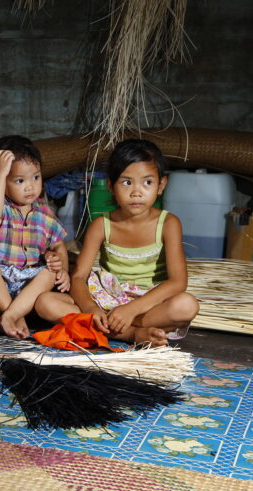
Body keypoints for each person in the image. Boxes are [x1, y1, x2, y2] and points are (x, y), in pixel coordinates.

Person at [69, 139, 199, 346]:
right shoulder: (102, 225)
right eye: (127, 182)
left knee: (186, 305)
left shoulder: (168, 223)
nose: (136, 192)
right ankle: (132, 334)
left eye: (147, 182)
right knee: (47, 303)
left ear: (161, 185)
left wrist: (131, 310)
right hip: (106, 300)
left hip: (148, 304)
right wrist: (92, 310)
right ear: (111, 186)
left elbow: (178, 282)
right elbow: (78, 276)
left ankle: (113, 328)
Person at [0, 136, 79, 338]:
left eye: (36, 177)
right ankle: (13, 314)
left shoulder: (44, 213)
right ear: (0, 181)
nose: (30, 186)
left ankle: (10, 315)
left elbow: (59, 246)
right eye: (19, 180)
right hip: (0, 282)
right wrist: (0, 173)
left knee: (48, 273)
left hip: (28, 282)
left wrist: (64, 271)